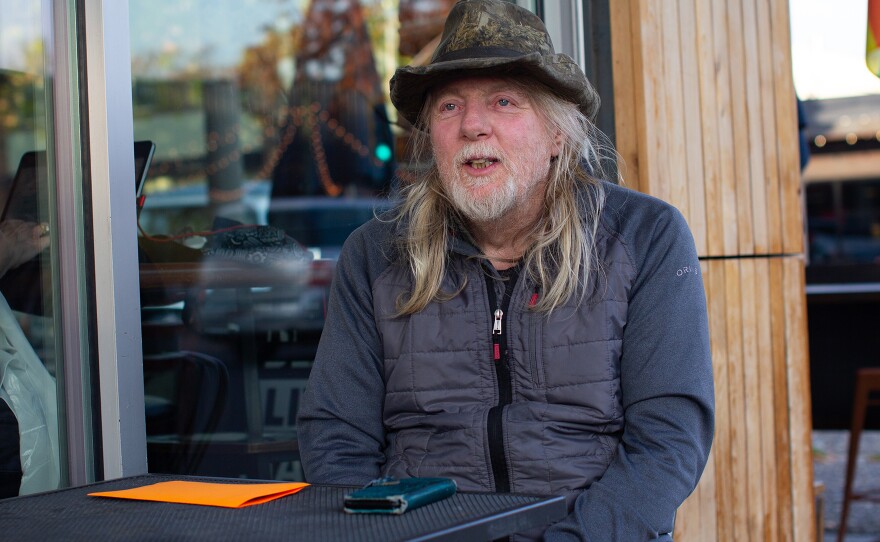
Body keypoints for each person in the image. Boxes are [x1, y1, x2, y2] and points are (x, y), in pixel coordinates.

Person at [297, 0, 714, 540]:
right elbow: (336, 437)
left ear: (557, 135)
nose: (473, 125)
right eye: (449, 107)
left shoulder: (644, 236)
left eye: (504, 101)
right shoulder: (376, 254)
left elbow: (668, 441)